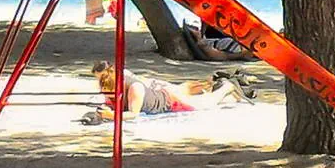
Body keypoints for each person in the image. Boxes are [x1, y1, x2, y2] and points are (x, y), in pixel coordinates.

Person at [88, 61, 245, 122]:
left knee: (207, 104)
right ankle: (213, 82)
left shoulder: (134, 88)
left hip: (171, 101)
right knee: (187, 89)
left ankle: (227, 87)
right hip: (162, 92)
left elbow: (133, 114)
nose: (107, 94)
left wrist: (111, 115)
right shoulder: (112, 83)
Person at [185, 19, 256, 63]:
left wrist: (200, 39)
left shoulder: (238, 51)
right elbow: (222, 56)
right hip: (221, 39)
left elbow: (218, 56)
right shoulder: (240, 50)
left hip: (214, 40)